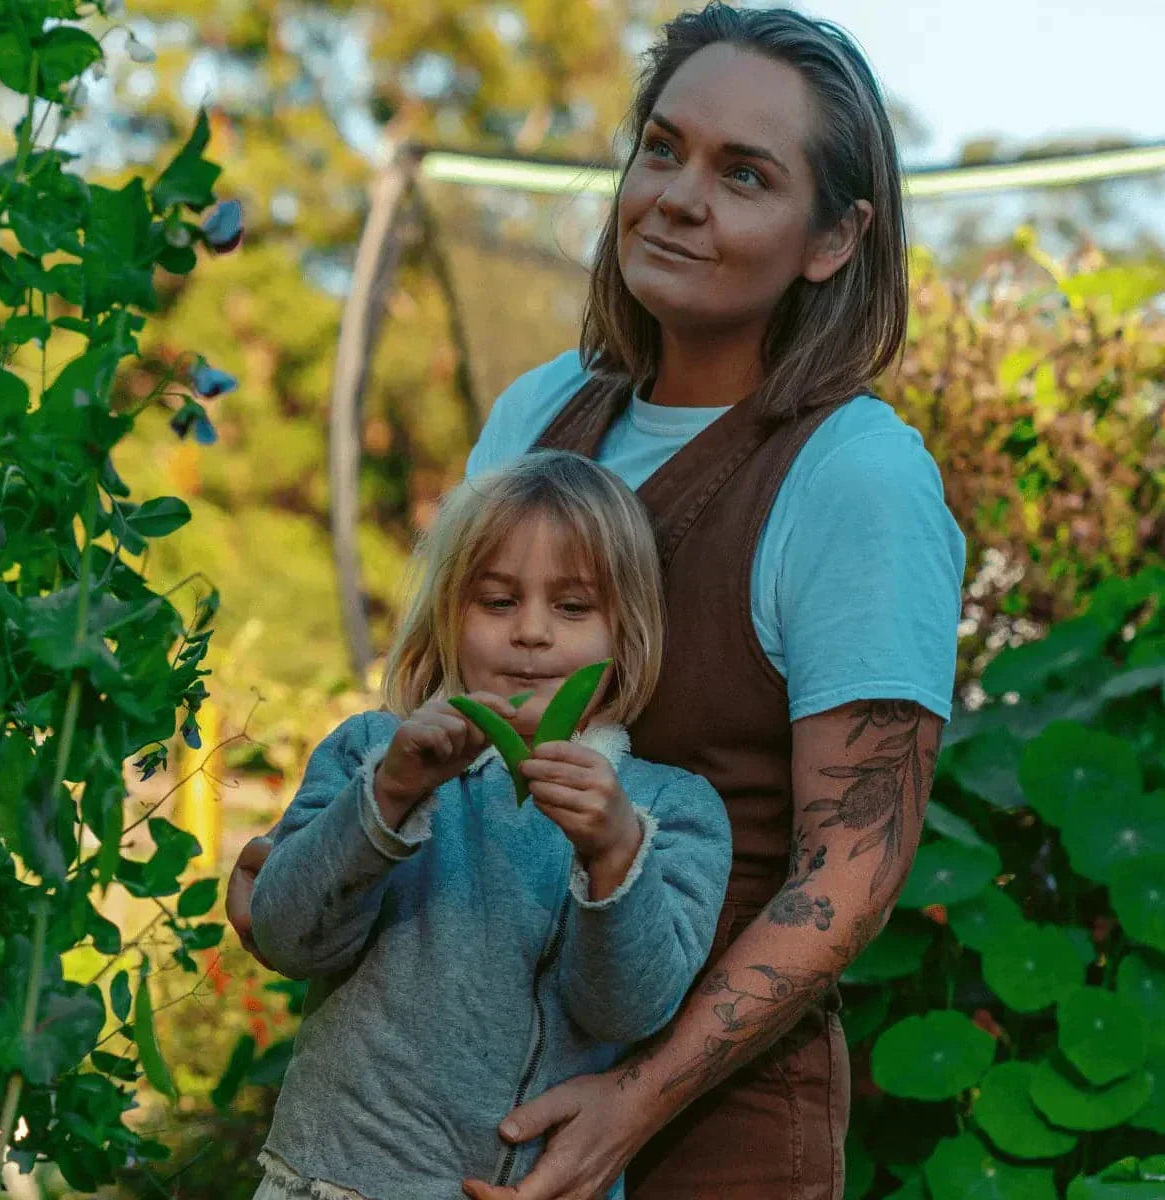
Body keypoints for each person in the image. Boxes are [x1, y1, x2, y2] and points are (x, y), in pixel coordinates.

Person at [229, 4, 966, 1197]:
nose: (676, 196)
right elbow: (431, 714)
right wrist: (307, 854)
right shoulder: (539, 413)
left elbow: (850, 872)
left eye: (744, 174)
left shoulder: (856, 478)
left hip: (705, 1132)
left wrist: (635, 1100)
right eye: (662, 148)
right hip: (419, 1125)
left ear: (834, 237)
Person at [246, 451, 732, 1200]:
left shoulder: (673, 812)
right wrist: (391, 792)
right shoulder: (370, 752)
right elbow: (285, 937)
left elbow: (627, 1009)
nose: (531, 633)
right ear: (447, 617)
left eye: (573, 607)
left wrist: (613, 852)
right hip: (327, 1178)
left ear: (627, 633)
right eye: (497, 601)